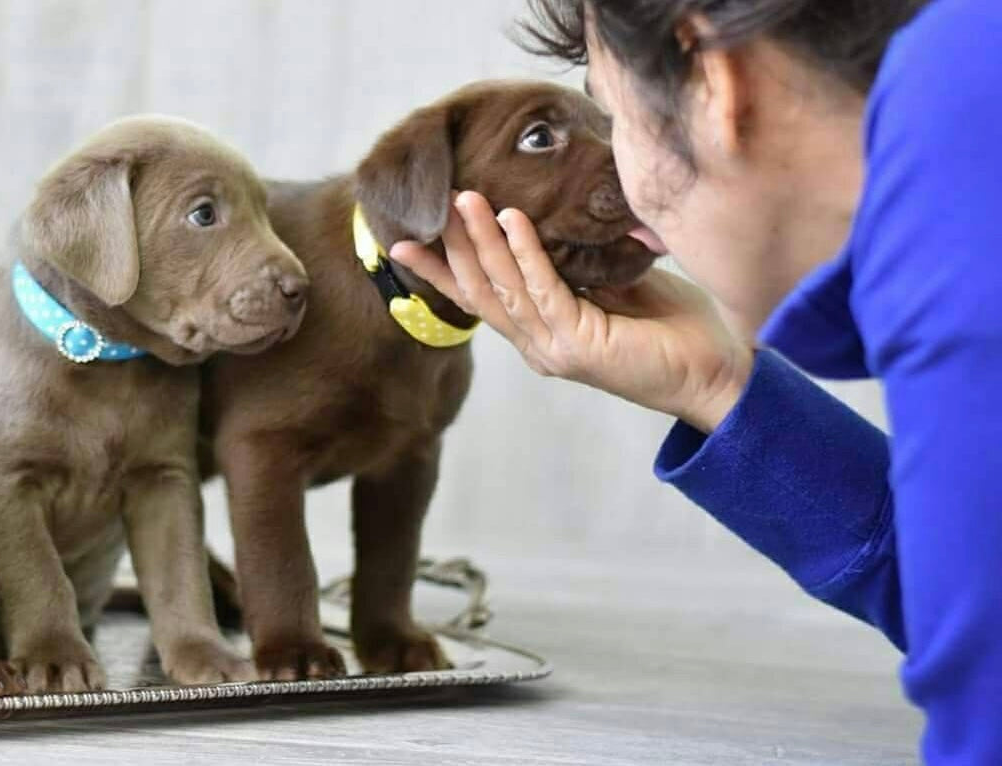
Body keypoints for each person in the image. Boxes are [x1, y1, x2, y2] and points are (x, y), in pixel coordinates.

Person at [388, 0, 1001, 762]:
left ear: (712, 77)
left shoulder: (957, 198)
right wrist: (717, 387)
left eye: (614, 120)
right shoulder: (969, 93)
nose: (631, 200)